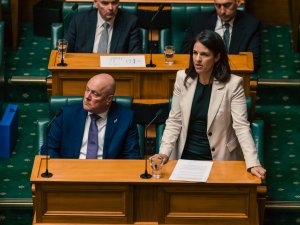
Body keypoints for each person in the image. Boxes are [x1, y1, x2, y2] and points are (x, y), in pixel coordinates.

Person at [153, 30, 266, 179]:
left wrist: (253, 163)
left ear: (217, 57)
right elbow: (174, 121)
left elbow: (241, 126)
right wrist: (164, 153)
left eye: (204, 54)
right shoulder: (182, 78)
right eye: (195, 53)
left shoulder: (233, 84)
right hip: (185, 156)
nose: (197, 59)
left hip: (219, 158)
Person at [41, 73, 141, 159]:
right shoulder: (66, 114)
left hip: (108, 175)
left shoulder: (126, 118)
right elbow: (49, 148)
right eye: (87, 90)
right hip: (70, 172)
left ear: (108, 99)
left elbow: (132, 155)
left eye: (95, 93)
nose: (87, 97)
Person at [181, 0, 261, 72]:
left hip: (234, 76)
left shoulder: (251, 24)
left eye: (227, 5)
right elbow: (186, 55)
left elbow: (253, 62)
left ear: (238, 2)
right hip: (203, 74)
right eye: (218, 6)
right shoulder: (198, 21)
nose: (222, 11)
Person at [65, 0, 142, 53]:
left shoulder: (130, 22)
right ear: (95, 3)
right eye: (105, 3)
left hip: (115, 73)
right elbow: (64, 51)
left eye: (114, 3)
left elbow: (136, 55)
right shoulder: (79, 21)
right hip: (85, 70)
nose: (111, 8)